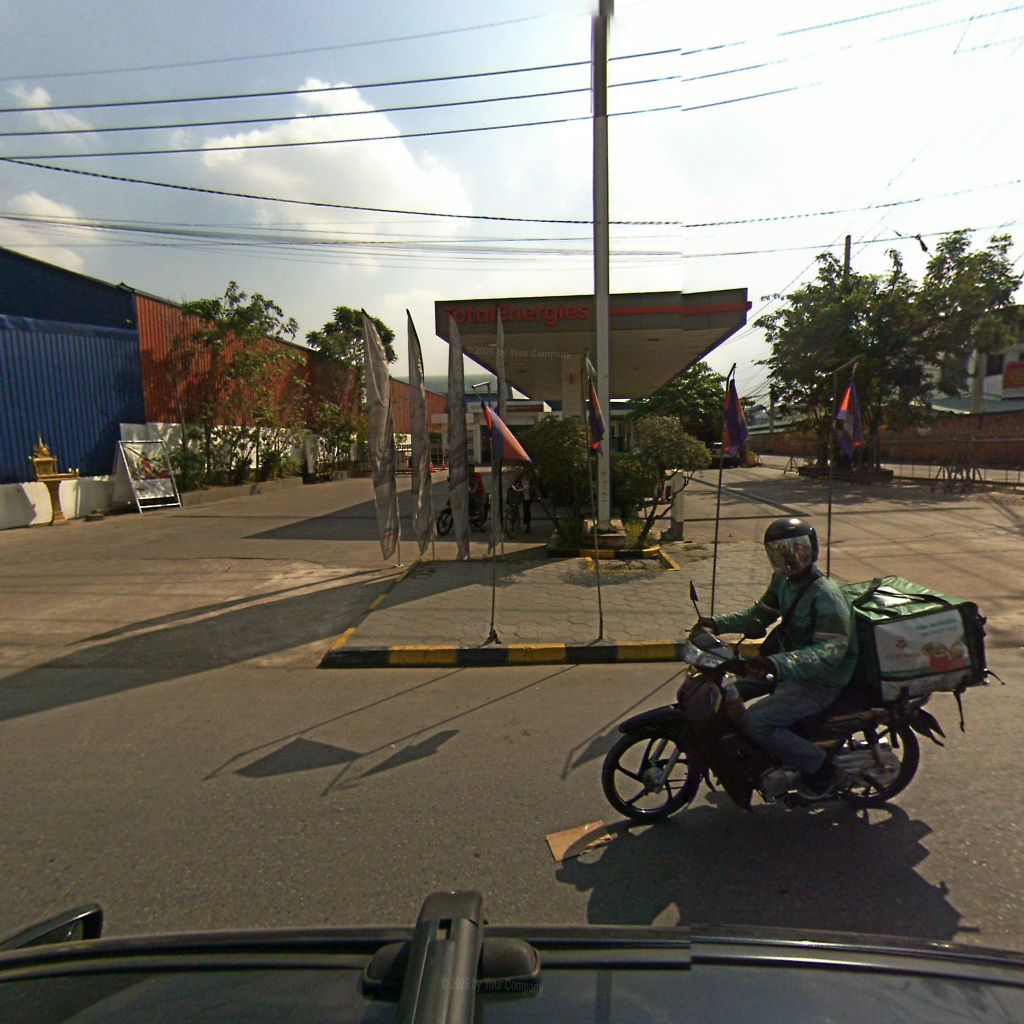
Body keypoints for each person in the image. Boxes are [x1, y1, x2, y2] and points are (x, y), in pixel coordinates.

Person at [698, 517, 858, 797]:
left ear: (811, 549)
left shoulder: (826, 596)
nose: (789, 558)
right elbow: (759, 615)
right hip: (787, 668)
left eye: (797, 550)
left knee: (756, 722)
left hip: (820, 680)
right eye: (779, 552)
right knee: (727, 692)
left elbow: (830, 651)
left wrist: (775, 663)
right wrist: (716, 624)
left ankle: (823, 769)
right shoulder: (782, 581)